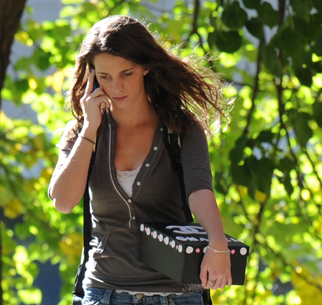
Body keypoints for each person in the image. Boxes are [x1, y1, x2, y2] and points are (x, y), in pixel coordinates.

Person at [48, 15, 231, 305]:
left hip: (178, 297)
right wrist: (89, 129)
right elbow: (63, 202)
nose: (117, 87)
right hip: (104, 294)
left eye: (127, 73)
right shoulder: (84, 132)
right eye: (105, 77)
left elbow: (200, 191)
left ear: (145, 66)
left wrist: (218, 245)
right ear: (91, 76)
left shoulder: (180, 129)